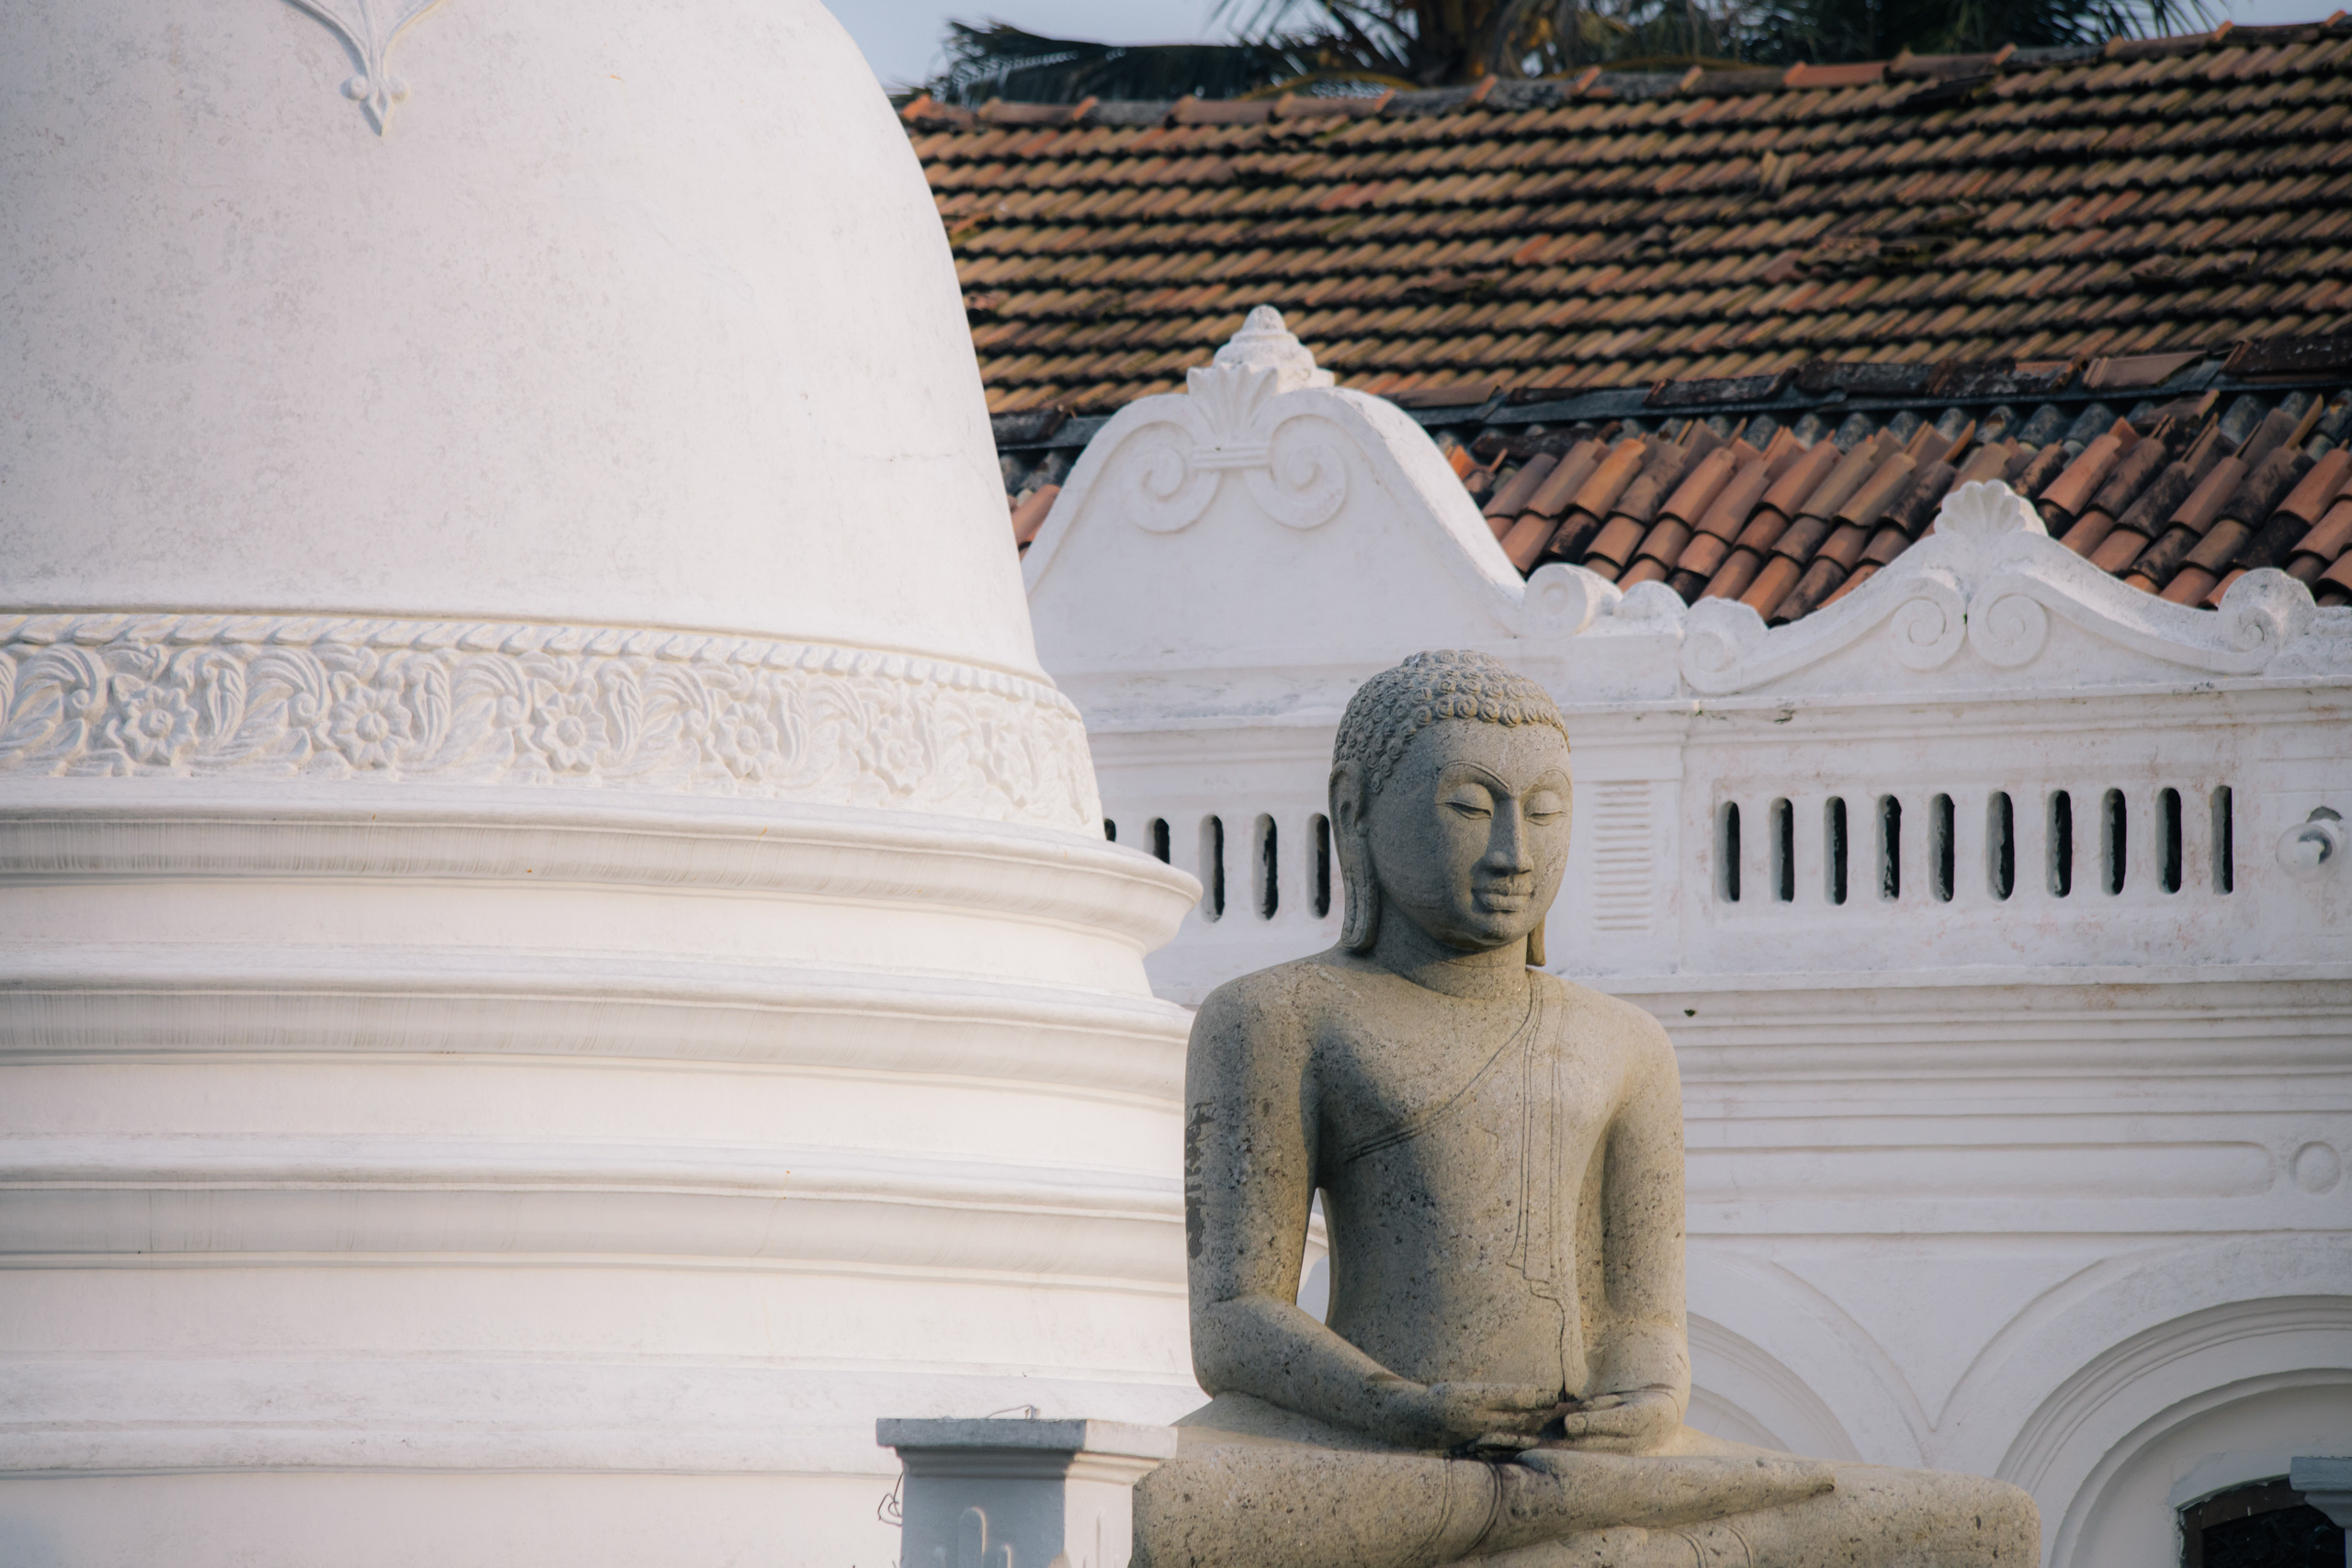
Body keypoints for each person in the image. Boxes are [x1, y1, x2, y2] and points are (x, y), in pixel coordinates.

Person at [1135, 650, 2039, 1568]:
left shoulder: (1626, 1043)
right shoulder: (1276, 1018)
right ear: (1355, 809)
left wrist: (1647, 1395)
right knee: (1165, 1509)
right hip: (1385, 1455)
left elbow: (1643, 1321)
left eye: (1543, 812)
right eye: (1469, 807)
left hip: (1595, 1464)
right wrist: (1398, 1405)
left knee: (1987, 1524)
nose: (1512, 853)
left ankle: (1571, 1521)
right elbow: (1236, 1321)